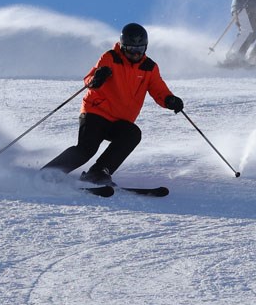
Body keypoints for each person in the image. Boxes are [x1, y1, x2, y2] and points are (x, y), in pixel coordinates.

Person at [42, 23, 184, 186]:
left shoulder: (149, 68)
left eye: (140, 49)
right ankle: (49, 173)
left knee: (132, 134)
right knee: (87, 149)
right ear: (123, 46)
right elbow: (89, 79)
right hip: (96, 113)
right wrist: (97, 78)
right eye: (131, 49)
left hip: (120, 121)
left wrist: (170, 100)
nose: (136, 53)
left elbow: (159, 90)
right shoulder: (110, 57)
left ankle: (98, 172)